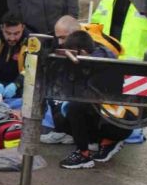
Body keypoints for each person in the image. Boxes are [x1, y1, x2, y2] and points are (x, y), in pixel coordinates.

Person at [40, 15, 124, 145]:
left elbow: (105, 64)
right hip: (72, 92)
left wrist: (84, 61)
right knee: (55, 92)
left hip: (98, 101)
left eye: (63, 37)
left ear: (75, 34)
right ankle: (64, 131)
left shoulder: (98, 48)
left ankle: (95, 140)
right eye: (58, 38)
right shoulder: (60, 45)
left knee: (79, 104)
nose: (60, 42)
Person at [57, 31, 136, 169]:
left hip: (118, 123)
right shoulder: (101, 57)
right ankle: (107, 142)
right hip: (119, 122)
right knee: (64, 114)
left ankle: (84, 155)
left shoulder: (100, 66)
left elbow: (85, 96)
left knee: (75, 108)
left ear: (81, 51)